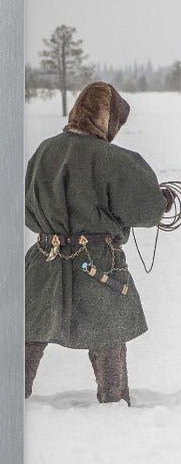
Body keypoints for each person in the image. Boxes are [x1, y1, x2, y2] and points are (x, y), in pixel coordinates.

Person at [24, 82, 170, 405]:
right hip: (97, 265)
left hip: (43, 261)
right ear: (107, 119)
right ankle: (115, 407)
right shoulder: (113, 160)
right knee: (109, 342)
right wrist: (162, 202)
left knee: (26, 337)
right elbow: (146, 209)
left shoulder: (44, 151)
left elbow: (26, 207)